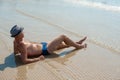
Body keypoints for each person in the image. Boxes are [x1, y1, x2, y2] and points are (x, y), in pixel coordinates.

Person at [10, 25, 87, 64]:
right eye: (21, 32)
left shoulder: (16, 41)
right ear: (18, 35)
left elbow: (15, 53)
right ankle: (79, 46)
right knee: (63, 37)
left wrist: (21, 53)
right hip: (45, 50)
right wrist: (38, 59)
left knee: (62, 44)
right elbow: (24, 60)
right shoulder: (21, 44)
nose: (23, 32)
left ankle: (76, 43)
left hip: (43, 45)